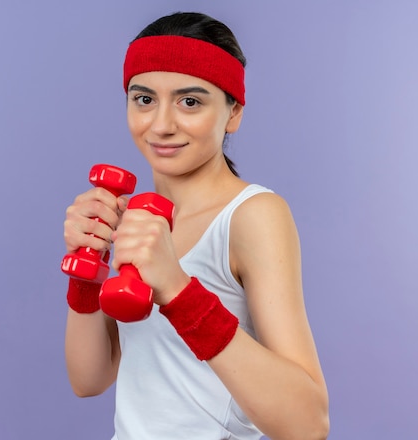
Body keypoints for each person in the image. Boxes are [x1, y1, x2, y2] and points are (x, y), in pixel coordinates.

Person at [63, 11, 329, 440]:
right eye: (144, 99)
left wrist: (178, 290)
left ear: (234, 112)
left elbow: (307, 424)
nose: (162, 125)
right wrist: (87, 270)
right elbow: (88, 380)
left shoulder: (252, 214)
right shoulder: (134, 222)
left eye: (191, 101)